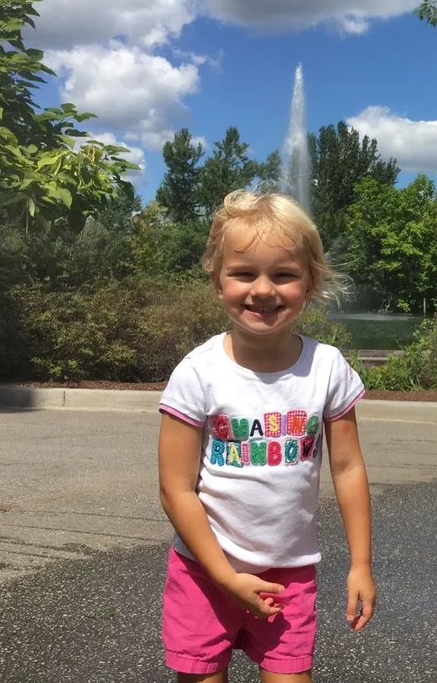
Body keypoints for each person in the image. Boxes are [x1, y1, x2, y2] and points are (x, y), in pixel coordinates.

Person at [157, 190, 375, 682]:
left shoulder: (326, 368)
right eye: (243, 273)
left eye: (283, 274)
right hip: (204, 571)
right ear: (217, 280)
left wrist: (360, 563)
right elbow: (176, 488)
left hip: (289, 573)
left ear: (310, 282)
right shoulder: (198, 373)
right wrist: (225, 576)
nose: (262, 289)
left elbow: (348, 467)